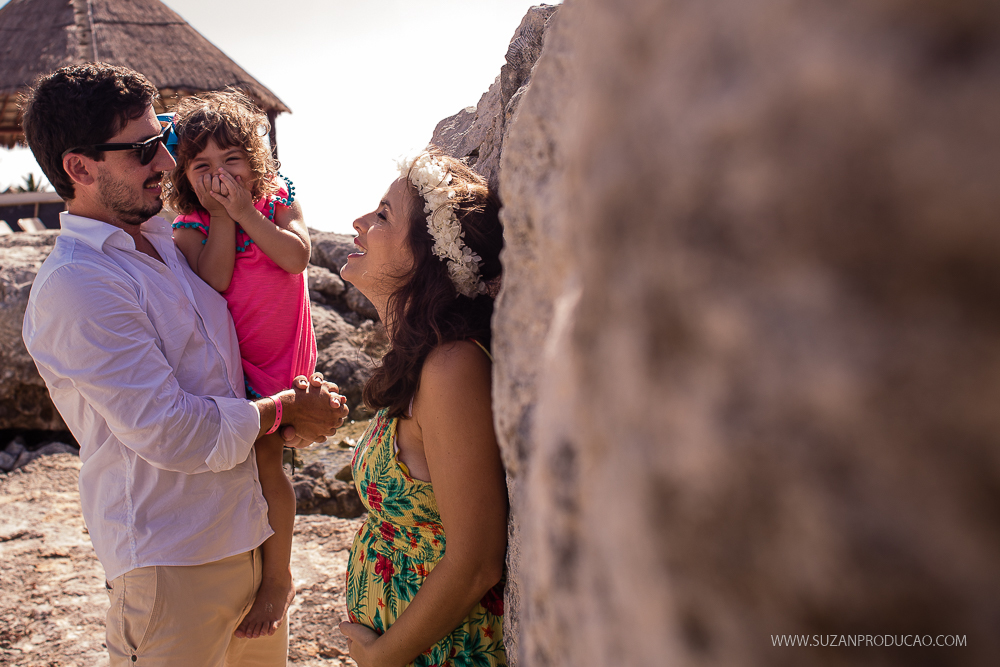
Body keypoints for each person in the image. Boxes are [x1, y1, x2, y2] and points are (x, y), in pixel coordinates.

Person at [20, 62, 347, 666]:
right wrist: (283, 412)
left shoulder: (169, 237)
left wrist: (295, 398)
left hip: (248, 534)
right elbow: (173, 433)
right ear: (80, 167)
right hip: (173, 562)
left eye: (164, 138)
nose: (168, 163)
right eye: (147, 149)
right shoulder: (79, 285)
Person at [337, 148, 509, 667]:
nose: (359, 222)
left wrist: (384, 656)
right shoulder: (418, 360)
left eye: (384, 215)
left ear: (426, 257)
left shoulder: (451, 368)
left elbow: (477, 562)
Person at [167, 91, 314, 640]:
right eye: (202, 166)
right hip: (231, 361)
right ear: (184, 175)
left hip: (280, 355)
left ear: (256, 161)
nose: (219, 173)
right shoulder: (191, 224)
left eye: (231, 160)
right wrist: (221, 216)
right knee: (245, 464)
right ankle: (249, 563)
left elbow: (296, 257)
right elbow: (214, 282)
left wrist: (246, 210)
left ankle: (278, 578)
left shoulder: (277, 201)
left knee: (268, 461)